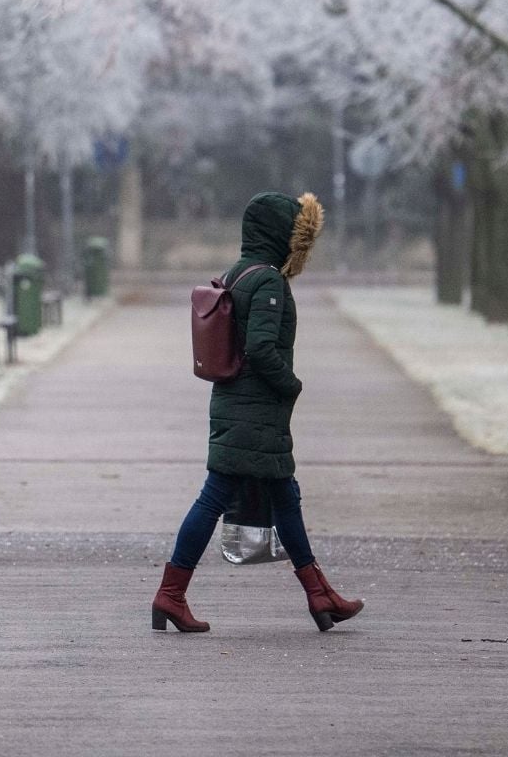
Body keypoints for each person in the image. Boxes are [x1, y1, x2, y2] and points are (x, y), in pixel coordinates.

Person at [150, 190, 365, 633]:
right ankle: (170, 595)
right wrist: (292, 385)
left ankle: (319, 594)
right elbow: (262, 349)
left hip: (238, 405)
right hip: (255, 411)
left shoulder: (239, 272)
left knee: (285, 497)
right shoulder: (267, 280)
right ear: (279, 233)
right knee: (214, 498)